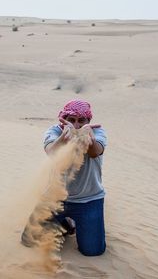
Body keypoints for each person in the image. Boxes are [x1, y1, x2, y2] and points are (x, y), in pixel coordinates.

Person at [43, 99, 107, 256]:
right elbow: (52, 152)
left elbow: (94, 152)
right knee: (31, 241)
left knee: (92, 251)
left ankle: (76, 222)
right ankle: (66, 224)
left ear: (88, 121)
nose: (77, 125)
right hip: (55, 198)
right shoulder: (54, 132)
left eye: (81, 120)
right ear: (64, 119)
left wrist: (89, 139)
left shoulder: (98, 132)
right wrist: (65, 137)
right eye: (72, 120)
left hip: (88, 200)